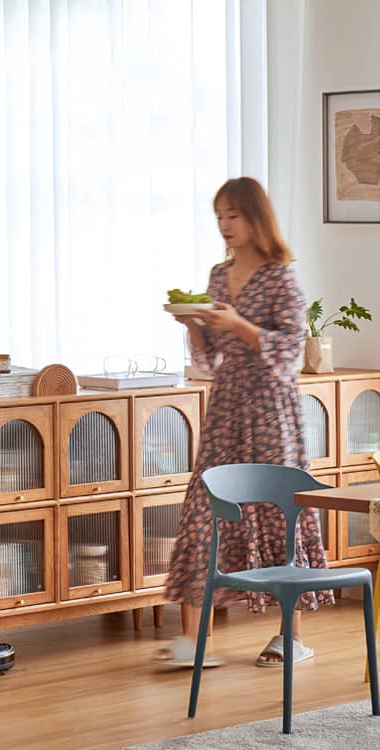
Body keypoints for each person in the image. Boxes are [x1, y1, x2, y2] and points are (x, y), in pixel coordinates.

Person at [154, 177, 332, 668]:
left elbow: (292, 353)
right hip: (227, 405)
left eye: (233, 215)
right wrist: (195, 325)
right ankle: (193, 642)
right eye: (219, 217)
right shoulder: (217, 276)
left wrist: (241, 326)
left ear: (257, 218)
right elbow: (211, 360)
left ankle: (290, 637)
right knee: (204, 509)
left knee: (279, 510)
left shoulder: (282, 277)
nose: (225, 226)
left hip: (272, 408)